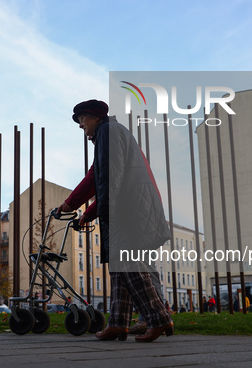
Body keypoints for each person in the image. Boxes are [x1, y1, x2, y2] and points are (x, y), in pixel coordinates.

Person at [57, 99, 173, 343]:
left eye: (82, 120)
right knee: (120, 269)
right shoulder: (107, 136)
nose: (81, 126)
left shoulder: (108, 133)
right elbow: (95, 179)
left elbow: (111, 178)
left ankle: (158, 317)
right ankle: (118, 323)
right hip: (129, 207)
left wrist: (98, 211)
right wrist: (81, 210)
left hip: (129, 210)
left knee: (128, 266)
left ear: (95, 117)